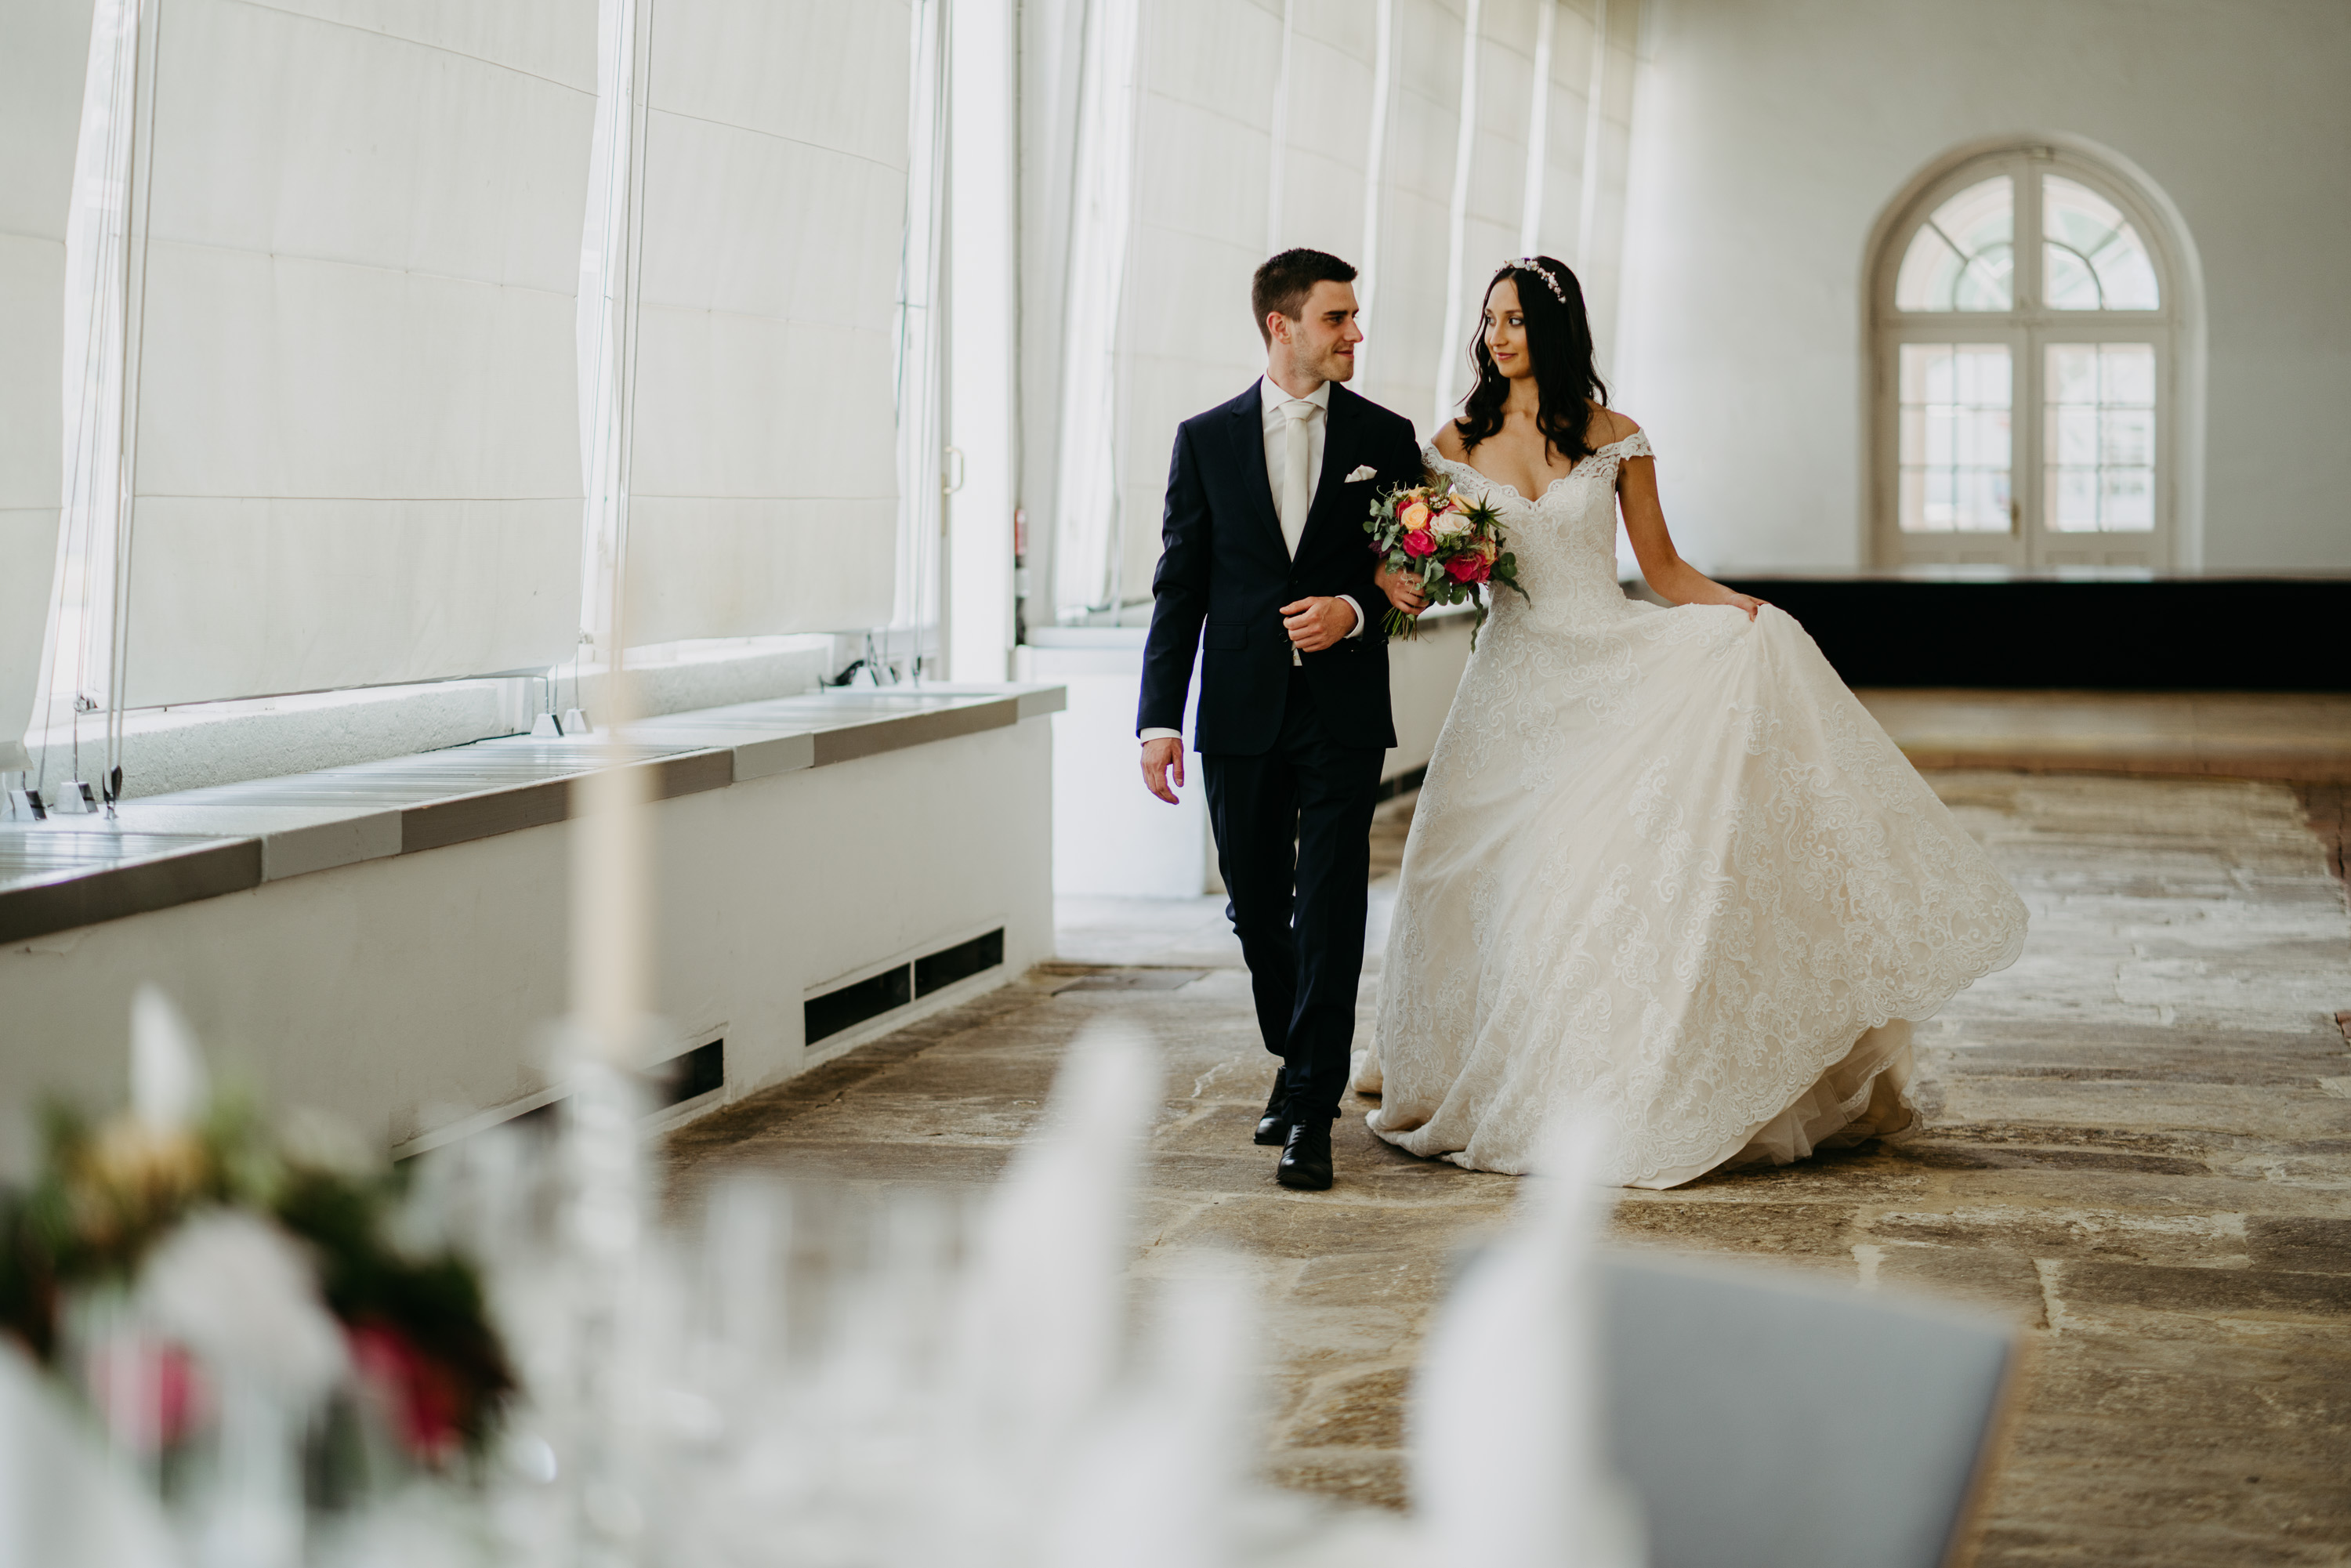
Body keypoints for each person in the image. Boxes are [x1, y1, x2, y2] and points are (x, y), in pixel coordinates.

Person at [1361, 257, 2029, 1187]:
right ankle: (1456, 1059)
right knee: (1473, 872)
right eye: (1489, 322)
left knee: (1601, 879)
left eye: (1513, 321)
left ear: (1555, 330)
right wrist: (1420, 572)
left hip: (1610, 666)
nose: (1497, 338)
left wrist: (1746, 614)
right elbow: (1425, 572)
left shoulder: (1617, 438)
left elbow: (1665, 572)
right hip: (1512, 687)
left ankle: (1615, 1070)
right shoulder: (1451, 445)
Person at [1136, 249, 1423, 1191]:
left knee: (1334, 909)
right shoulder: (1205, 440)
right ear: (1282, 326)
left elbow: (1409, 581)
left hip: (1341, 710)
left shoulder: (1388, 434)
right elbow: (1179, 589)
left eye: (1354, 315)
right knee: (1259, 909)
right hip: (1240, 711)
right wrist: (1158, 721)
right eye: (1337, 318)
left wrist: (1352, 606)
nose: (1355, 333)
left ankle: (1311, 1106)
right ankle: (1293, 1056)